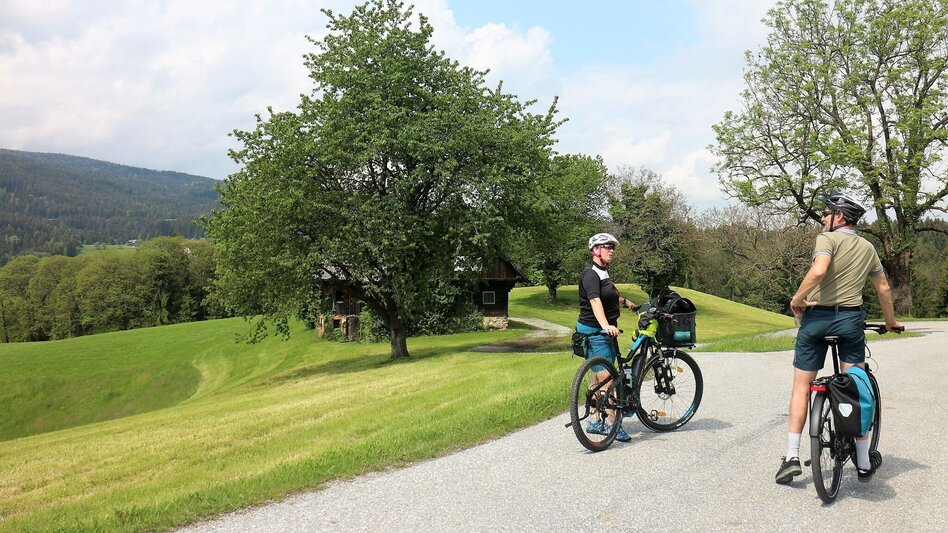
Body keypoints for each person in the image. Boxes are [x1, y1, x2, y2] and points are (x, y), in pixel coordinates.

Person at [775, 193, 903, 484]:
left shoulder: (827, 239)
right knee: (855, 387)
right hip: (850, 321)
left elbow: (819, 270)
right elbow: (883, 287)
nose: (822, 217)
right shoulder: (867, 247)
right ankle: (862, 462)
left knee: (801, 388)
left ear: (840, 217)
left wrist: (797, 298)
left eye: (826, 212)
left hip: (816, 320)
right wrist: (891, 322)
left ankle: (792, 457)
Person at [576, 232, 638, 443]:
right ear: (595, 250)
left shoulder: (602, 273)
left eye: (612, 247)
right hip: (596, 332)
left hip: (600, 332)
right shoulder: (591, 274)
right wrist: (606, 326)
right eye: (606, 246)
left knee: (599, 376)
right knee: (607, 380)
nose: (611, 250)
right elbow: (595, 302)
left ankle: (594, 420)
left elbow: (607, 296)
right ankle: (612, 424)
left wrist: (626, 302)